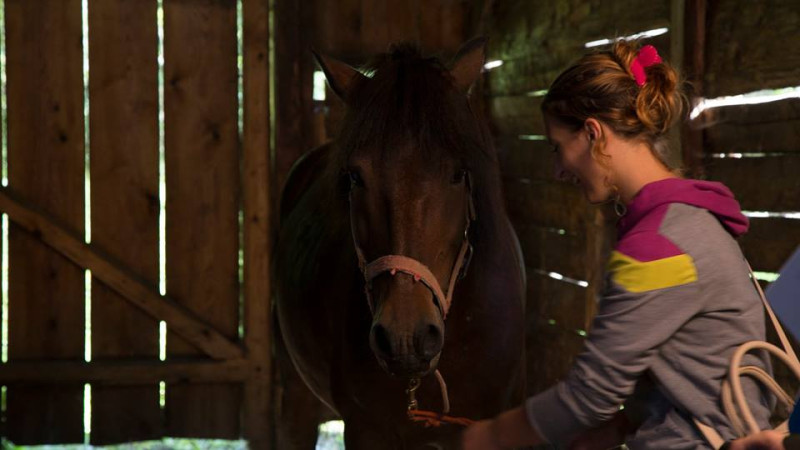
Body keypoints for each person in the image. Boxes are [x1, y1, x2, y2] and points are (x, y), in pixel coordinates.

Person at [462, 41, 773, 449]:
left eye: (558, 148)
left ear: (592, 133)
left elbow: (588, 395)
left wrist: (485, 437)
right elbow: (687, 366)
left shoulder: (658, 246)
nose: (558, 170)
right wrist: (617, 428)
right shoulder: (691, 219)